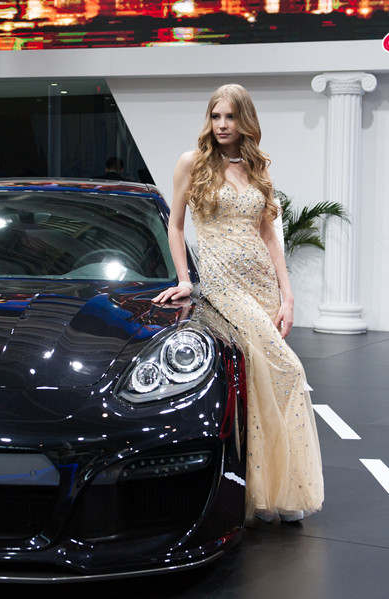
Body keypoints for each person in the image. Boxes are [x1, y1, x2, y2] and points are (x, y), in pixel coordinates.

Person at [153, 84, 324, 523]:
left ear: (244, 120)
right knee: (288, 369)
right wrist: (186, 280)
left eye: (230, 117)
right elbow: (175, 226)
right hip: (222, 282)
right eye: (216, 117)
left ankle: (273, 490)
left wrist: (287, 294)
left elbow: (270, 236)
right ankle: (259, 487)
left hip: (262, 284)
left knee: (263, 379)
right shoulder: (192, 163)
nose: (222, 125)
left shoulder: (258, 168)